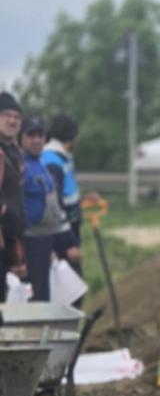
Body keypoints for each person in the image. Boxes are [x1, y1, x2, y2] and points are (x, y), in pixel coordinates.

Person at [20, 117, 79, 301]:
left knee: (45, 298)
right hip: (27, 243)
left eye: (40, 135)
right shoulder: (20, 166)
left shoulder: (40, 165)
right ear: (21, 138)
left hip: (45, 241)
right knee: (32, 300)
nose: (37, 140)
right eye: (31, 135)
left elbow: (52, 208)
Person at [42, 113, 83, 253]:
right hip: (62, 235)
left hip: (69, 227)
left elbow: (67, 192)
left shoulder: (63, 157)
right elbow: (55, 204)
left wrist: (81, 200)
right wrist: (69, 243)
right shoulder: (52, 161)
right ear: (72, 137)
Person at [0, 91, 26, 302]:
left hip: (9, 242)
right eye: (7, 114)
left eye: (17, 117)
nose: (12, 120)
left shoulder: (15, 152)